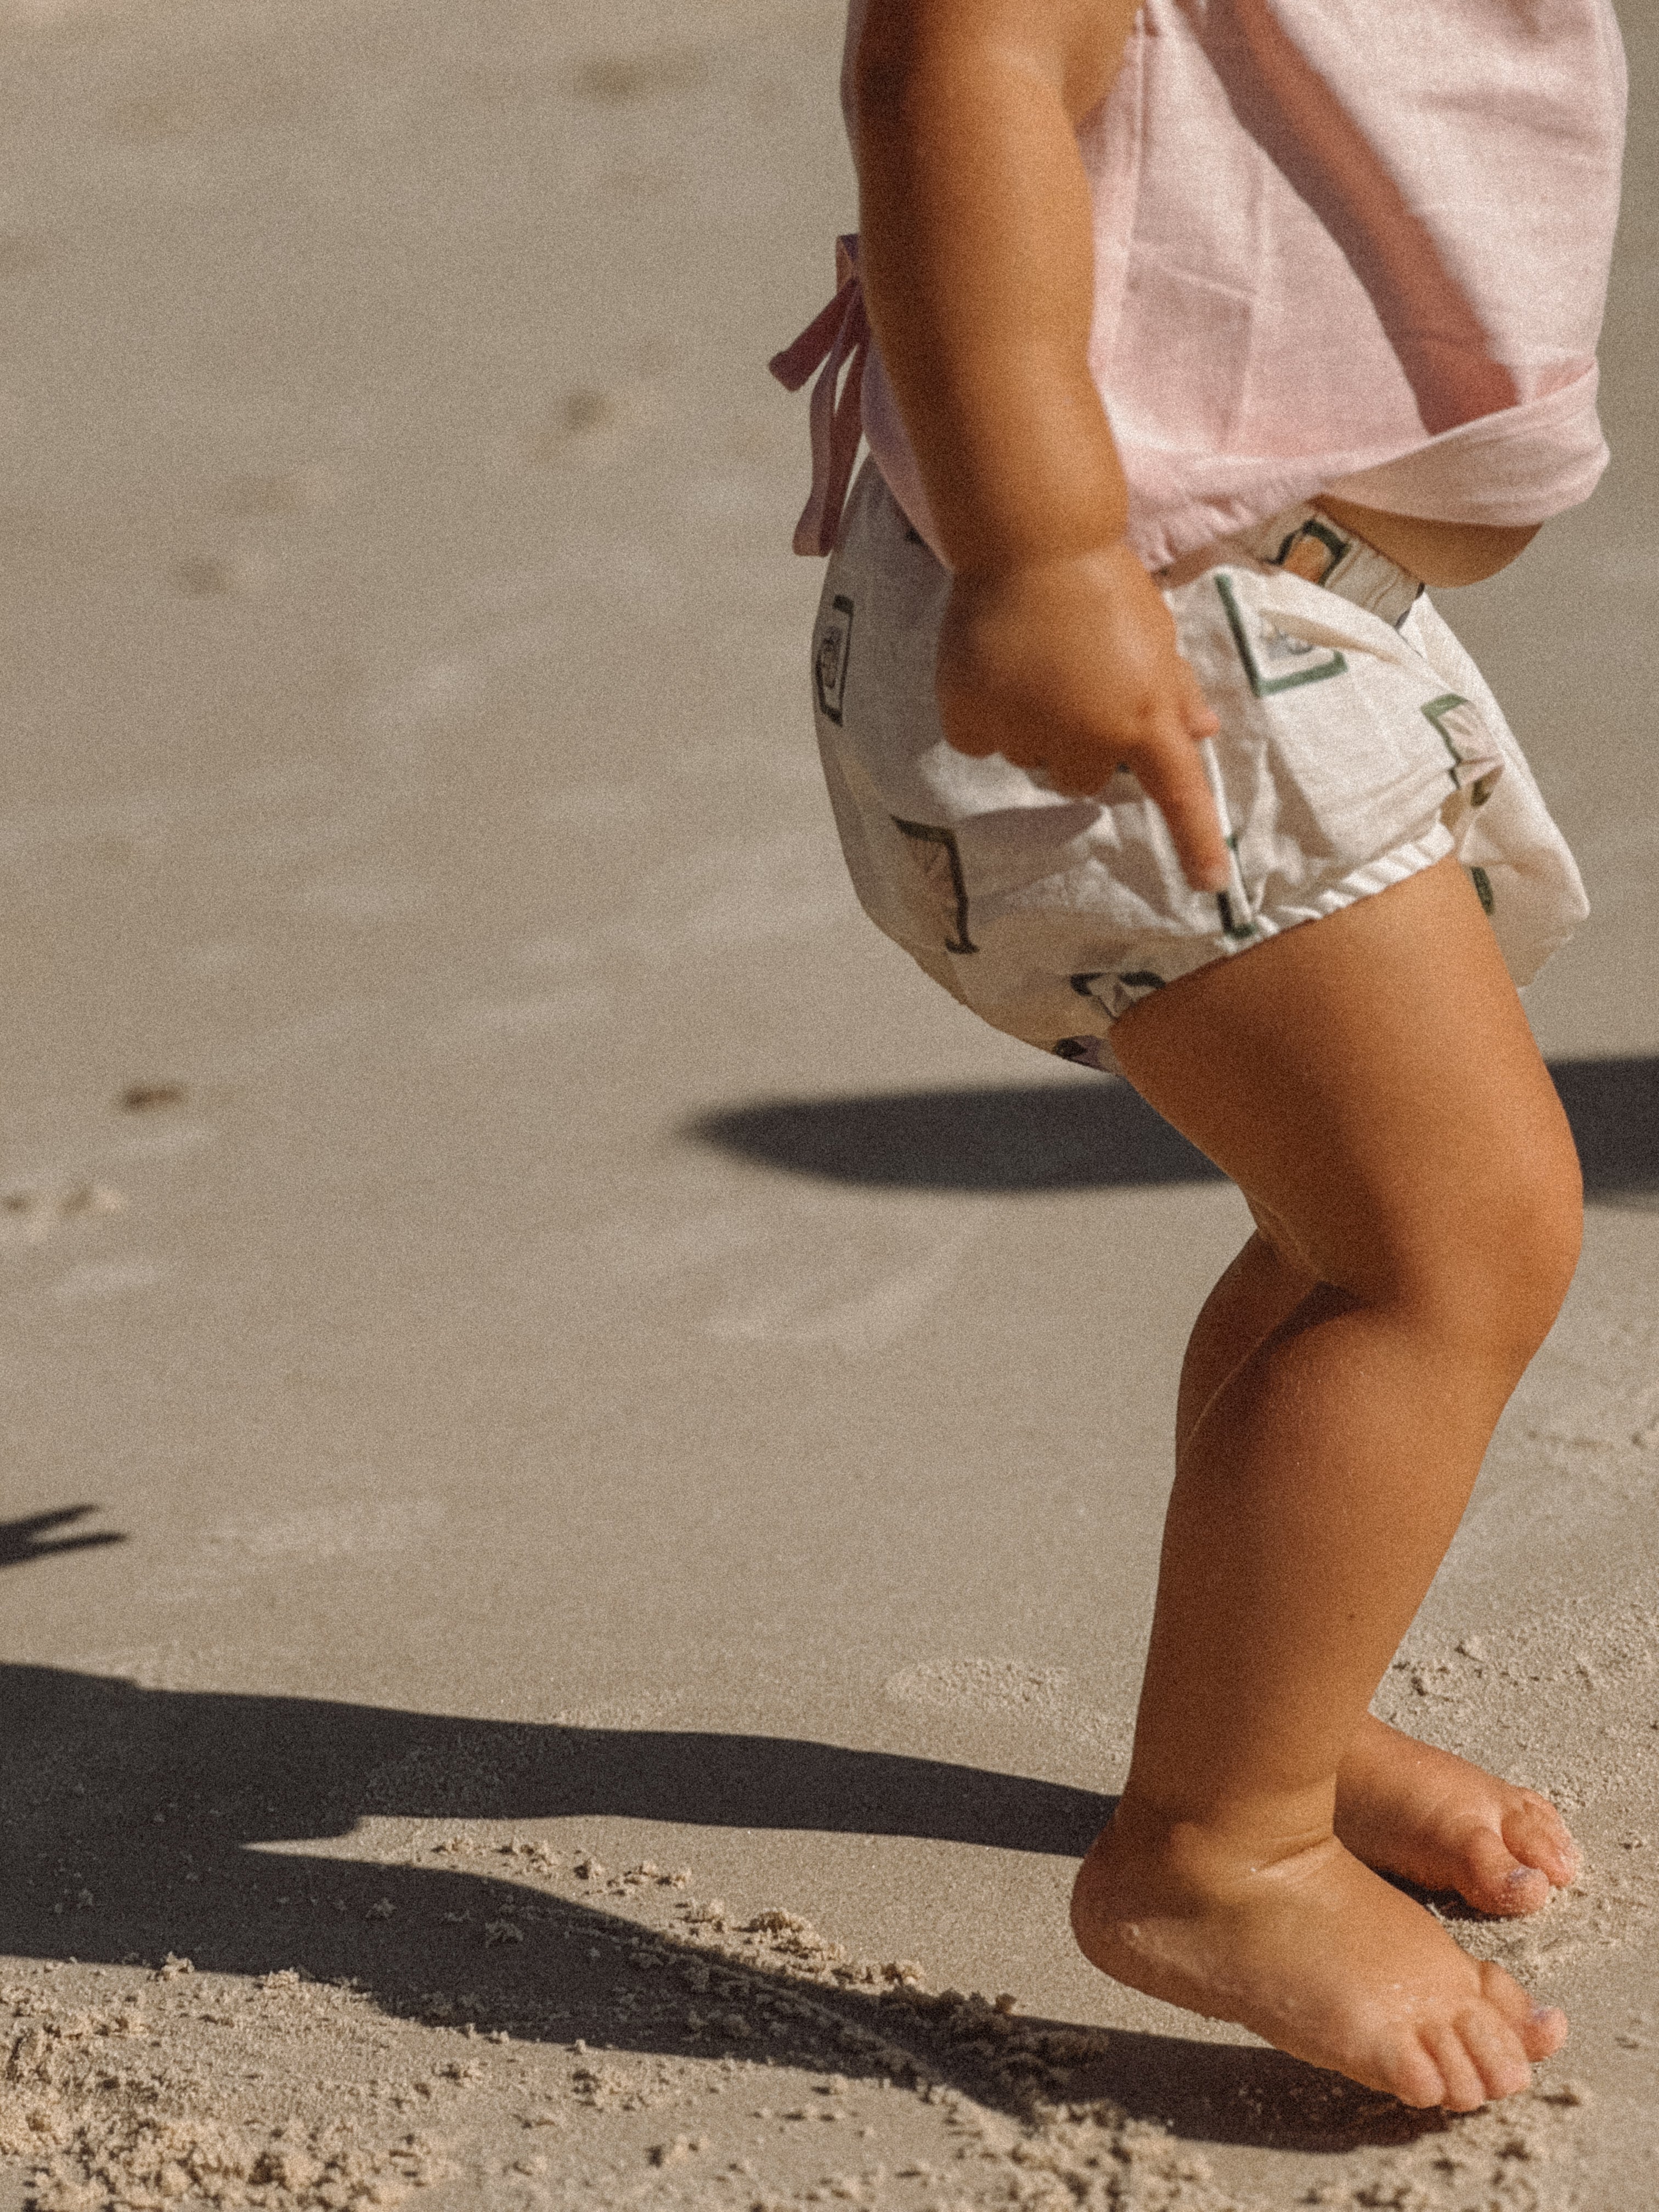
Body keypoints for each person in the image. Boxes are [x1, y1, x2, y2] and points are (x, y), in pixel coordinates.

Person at [771, 0, 1627, 2112]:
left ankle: (1281, 1705)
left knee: (1352, 1226)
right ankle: (1215, 1846)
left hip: (1288, 625)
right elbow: (949, 63)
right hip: (1161, 623)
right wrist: (1047, 556)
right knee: (1451, 1250)